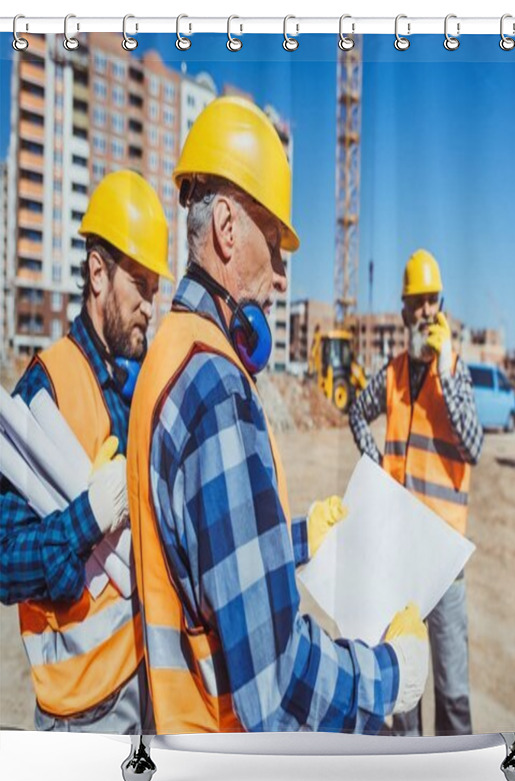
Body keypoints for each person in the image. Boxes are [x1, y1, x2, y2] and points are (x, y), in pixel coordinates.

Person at [127, 96, 429, 734]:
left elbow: (204, 558)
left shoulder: (169, 352)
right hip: (227, 745)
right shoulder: (216, 387)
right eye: (277, 245)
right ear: (229, 230)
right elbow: (275, 683)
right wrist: (391, 675)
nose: (285, 276)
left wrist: (297, 540)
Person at [0, 170, 171, 733]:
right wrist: (88, 517)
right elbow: (4, 560)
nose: (152, 302)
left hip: (141, 683)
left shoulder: (131, 385)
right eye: (141, 284)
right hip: (79, 713)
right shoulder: (43, 389)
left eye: (156, 287)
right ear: (98, 274)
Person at [349, 248, 484, 736]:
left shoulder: (458, 373)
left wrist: (446, 370)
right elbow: (356, 413)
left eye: (432, 301)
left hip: (444, 563)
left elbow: (474, 445)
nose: (425, 311)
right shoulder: (392, 375)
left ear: (441, 307)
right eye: (416, 302)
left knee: (452, 692)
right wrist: (375, 462)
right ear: (404, 310)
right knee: (406, 688)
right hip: (400, 555)